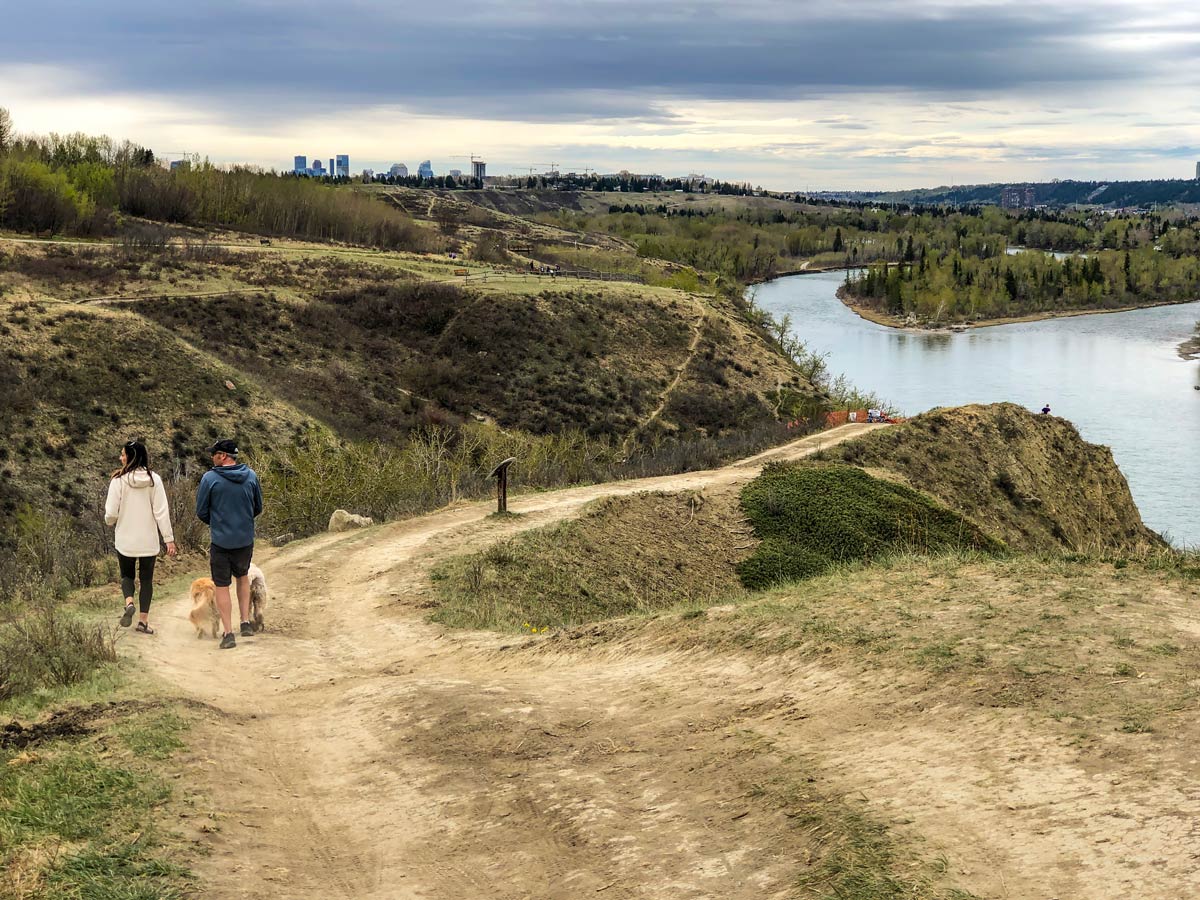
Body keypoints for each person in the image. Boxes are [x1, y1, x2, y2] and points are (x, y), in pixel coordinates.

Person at [195, 439, 263, 650]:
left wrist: (218, 523)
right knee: (242, 577)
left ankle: (228, 632)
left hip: (221, 541)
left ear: (223, 456)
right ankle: (244, 623)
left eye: (215, 453)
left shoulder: (210, 479)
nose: (212, 457)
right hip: (244, 539)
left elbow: (201, 511)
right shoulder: (250, 476)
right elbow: (257, 507)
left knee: (222, 585)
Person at [104, 440, 176, 634]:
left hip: (125, 539)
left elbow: (111, 512)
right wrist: (168, 538)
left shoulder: (118, 481)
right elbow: (161, 512)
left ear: (130, 457)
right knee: (146, 580)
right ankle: (143, 622)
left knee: (127, 575)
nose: (120, 458)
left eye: (123, 454)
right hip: (148, 540)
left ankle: (129, 603)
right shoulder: (155, 480)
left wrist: (110, 521)